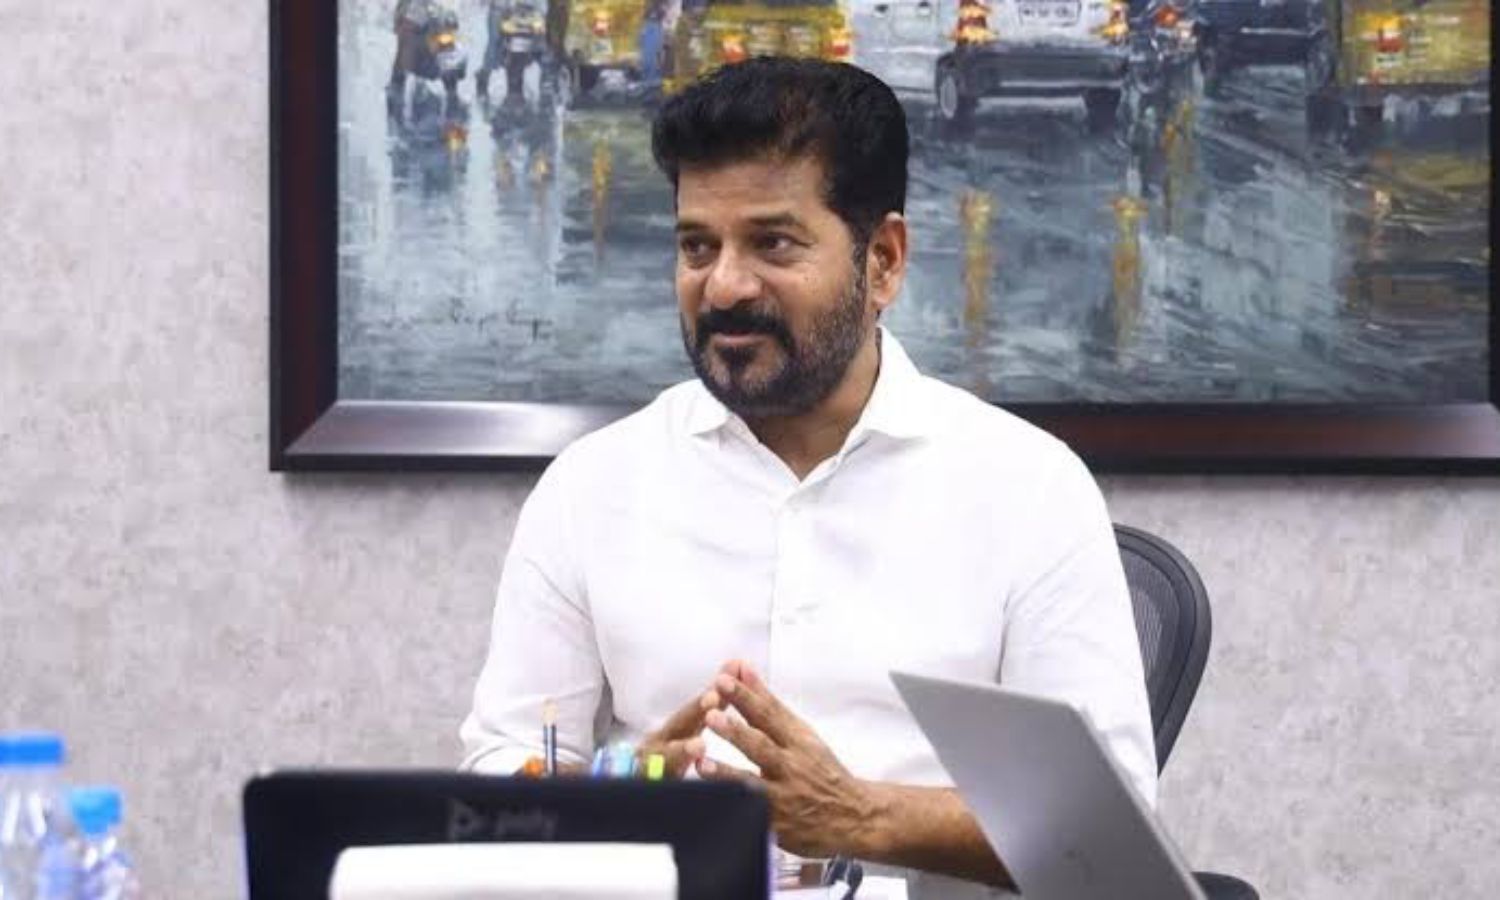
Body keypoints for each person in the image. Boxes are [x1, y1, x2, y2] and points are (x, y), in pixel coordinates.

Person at [460, 57, 1156, 898]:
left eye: (773, 243)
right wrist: (631, 788)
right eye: (697, 246)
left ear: (884, 261)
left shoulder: (1029, 489)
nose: (724, 285)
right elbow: (502, 770)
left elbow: (1104, 835)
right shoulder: (591, 486)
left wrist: (861, 816)